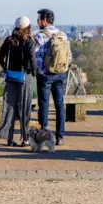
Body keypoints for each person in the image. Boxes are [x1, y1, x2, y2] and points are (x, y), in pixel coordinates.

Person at [0, 16, 38, 147]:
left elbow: (0, 57)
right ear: (28, 27)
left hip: (11, 76)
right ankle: (25, 139)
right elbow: (32, 59)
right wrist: (34, 73)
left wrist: (6, 68)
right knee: (24, 108)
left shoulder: (9, 40)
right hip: (25, 77)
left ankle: (8, 138)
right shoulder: (29, 40)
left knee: (9, 107)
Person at [34, 9, 72, 146]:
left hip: (45, 75)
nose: (37, 22)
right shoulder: (63, 35)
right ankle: (60, 136)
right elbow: (69, 56)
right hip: (60, 74)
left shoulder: (39, 36)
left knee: (43, 105)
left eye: (38, 19)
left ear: (45, 20)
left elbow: (36, 58)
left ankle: (44, 136)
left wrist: (39, 71)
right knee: (59, 105)